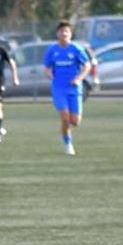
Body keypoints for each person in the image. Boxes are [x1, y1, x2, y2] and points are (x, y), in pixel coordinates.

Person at [43, 21, 91, 155]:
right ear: (57, 34)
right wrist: (48, 73)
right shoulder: (52, 50)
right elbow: (47, 66)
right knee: (65, 119)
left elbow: (87, 65)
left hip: (74, 89)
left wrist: (79, 79)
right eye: (61, 31)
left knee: (75, 122)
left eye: (66, 31)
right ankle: (68, 143)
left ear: (70, 34)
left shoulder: (76, 49)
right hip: (59, 88)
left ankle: (68, 133)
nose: (64, 34)